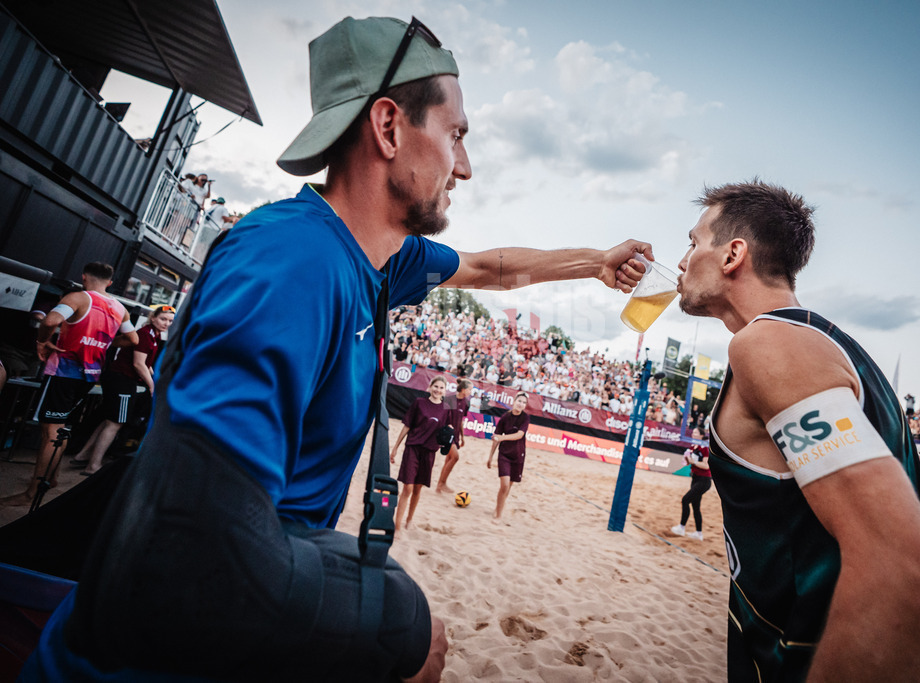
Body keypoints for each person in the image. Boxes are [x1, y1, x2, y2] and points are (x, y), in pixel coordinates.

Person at [22, 16, 652, 682]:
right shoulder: (291, 260)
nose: (464, 167)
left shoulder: (378, 257)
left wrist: (595, 262)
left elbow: (486, 268)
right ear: (388, 127)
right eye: (456, 135)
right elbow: (193, 553)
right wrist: (393, 624)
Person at [673, 180, 920, 681]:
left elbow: (912, 577)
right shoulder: (843, 354)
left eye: (693, 242)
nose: (682, 261)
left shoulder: (769, 345)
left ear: (732, 255)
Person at [1, 262, 136, 508]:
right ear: (110, 282)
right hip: (89, 375)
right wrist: (105, 344)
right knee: (60, 428)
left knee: (50, 432)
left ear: (84, 277)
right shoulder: (120, 308)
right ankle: (51, 478)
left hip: (63, 373)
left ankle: (32, 492)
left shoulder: (78, 297)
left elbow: (50, 321)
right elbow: (133, 338)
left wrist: (42, 341)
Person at [66, 305, 174, 475]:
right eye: (163, 319)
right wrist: (152, 386)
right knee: (116, 423)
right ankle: (93, 466)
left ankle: (83, 456)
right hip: (122, 380)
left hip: (120, 379)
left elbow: (146, 365)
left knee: (109, 420)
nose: (166, 323)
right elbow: (138, 364)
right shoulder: (145, 334)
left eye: (170, 321)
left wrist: (157, 381)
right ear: (153, 318)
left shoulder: (155, 335)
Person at [390, 376, 454, 531]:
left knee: (418, 489)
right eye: (436, 386)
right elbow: (407, 426)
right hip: (413, 448)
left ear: (445, 391)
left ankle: (409, 520)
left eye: (441, 388)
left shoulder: (446, 408)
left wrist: (448, 437)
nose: (438, 390)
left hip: (429, 452)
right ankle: (397, 526)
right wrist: (396, 447)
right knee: (408, 488)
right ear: (430, 386)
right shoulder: (419, 403)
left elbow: (447, 430)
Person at [487, 391, 530, 522]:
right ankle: (498, 515)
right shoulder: (505, 417)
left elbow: (519, 435)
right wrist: (490, 457)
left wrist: (502, 438)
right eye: (519, 401)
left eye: (524, 402)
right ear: (514, 401)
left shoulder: (525, 418)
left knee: (508, 487)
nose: (521, 404)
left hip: (518, 456)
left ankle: (497, 508)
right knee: (504, 485)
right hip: (504, 454)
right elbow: (496, 438)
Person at [670, 427, 712, 541]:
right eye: (693, 432)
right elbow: (690, 463)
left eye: (696, 432)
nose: (693, 434)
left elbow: (706, 466)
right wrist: (687, 459)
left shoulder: (704, 448)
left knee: (685, 500)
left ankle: (681, 527)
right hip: (695, 478)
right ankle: (699, 533)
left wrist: (693, 461)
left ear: (701, 435)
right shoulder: (693, 447)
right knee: (695, 506)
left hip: (704, 480)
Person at [435, 378, 472, 494]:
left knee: (449, 459)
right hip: (446, 434)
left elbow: (460, 421)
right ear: (463, 389)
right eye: (470, 389)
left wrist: (462, 437)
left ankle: (439, 486)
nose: (471, 392)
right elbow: (441, 416)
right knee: (455, 457)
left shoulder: (466, 402)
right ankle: (442, 483)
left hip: (456, 435)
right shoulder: (450, 399)